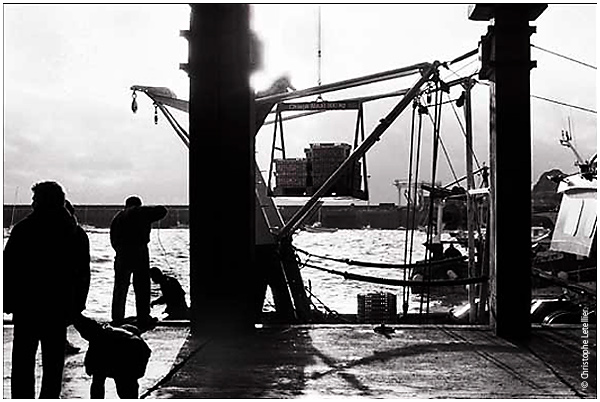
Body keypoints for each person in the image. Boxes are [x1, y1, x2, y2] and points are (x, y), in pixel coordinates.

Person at [3, 181, 91, 398]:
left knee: (23, 361)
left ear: (42, 201)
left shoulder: (23, 230)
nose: (32, 204)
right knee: (53, 365)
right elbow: (82, 274)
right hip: (59, 307)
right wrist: (78, 304)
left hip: (28, 306)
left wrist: (7, 300)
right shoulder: (76, 234)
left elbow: (9, 268)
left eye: (35, 199)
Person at [110, 196, 167, 327]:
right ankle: (143, 317)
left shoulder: (118, 217)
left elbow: (112, 239)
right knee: (142, 287)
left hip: (121, 254)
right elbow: (162, 211)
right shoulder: (141, 212)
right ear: (138, 205)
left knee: (120, 288)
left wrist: (120, 250)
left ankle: (117, 318)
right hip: (139, 252)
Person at [72, 314, 151, 399]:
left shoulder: (98, 340)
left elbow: (95, 376)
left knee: (103, 380)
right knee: (127, 386)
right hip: (130, 353)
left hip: (123, 354)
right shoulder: (133, 339)